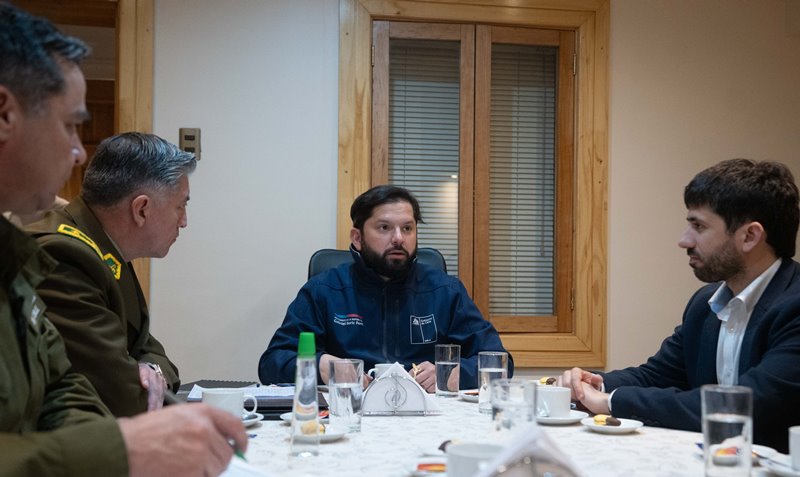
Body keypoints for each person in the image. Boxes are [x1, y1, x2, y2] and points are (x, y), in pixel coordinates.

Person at [0, 4, 245, 476]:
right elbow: (119, 392)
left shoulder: (19, 254)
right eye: (70, 124)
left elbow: (62, 386)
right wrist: (123, 448)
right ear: (5, 114)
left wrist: (121, 438)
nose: (77, 153)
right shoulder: (63, 253)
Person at [558, 159, 800, 452]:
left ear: (749, 236)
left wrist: (611, 402)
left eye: (698, 226)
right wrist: (595, 383)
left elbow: (740, 406)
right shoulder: (704, 304)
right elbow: (657, 375)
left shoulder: (794, 306)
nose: (684, 241)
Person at [259, 185, 512, 392]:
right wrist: (320, 366)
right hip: (349, 418)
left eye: (407, 228)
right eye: (384, 228)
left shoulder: (446, 291)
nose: (399, 238)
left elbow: (500, 362)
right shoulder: (323, 290)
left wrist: (454, 374)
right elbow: (271, 364)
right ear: (357, 238)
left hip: (430, 422)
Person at [26, 132, 191, 417]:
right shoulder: (64, 256)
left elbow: (150, 350)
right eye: (180, 206)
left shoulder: (104, 248)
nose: (184, 221)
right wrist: (142, 373)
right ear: (141, 209)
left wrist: (150, 367)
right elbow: (125, 397)